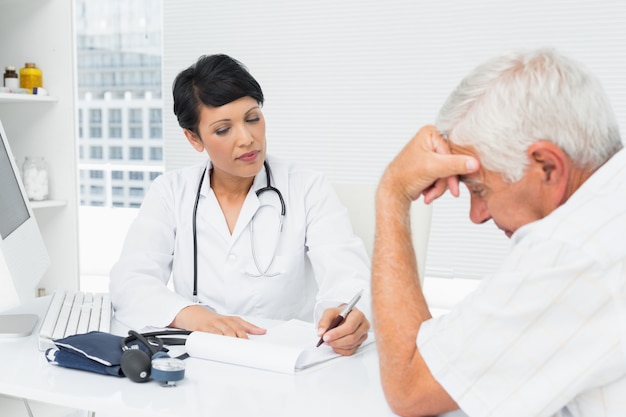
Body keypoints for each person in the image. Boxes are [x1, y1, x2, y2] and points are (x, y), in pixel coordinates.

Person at [372, 48, 626, 416]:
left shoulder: (571, 248)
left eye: (478, 188)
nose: (477, 216)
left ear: (547, 168)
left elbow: (409, 388)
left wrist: (392, 192)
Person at [110, 54, 370, 355]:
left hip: (285, 363)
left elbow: (348, 277)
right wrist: (193, 316)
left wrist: (346, 314)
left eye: (252, 118)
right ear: (194, 139)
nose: (247, 139)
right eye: (223, 130)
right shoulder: (170, 192)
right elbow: (129, 283)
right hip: (200, 361)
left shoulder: (308, 188)